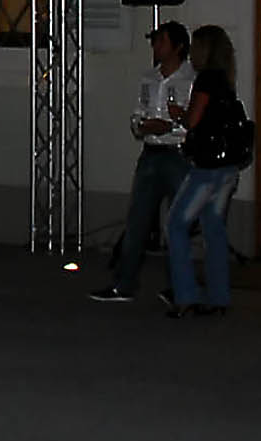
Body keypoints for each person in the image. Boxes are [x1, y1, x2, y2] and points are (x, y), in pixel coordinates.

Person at [90, 20, 194, 304]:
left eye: (161, 41)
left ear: (178, 46)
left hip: (178, 153)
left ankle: (179, 286)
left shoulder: (191, 79)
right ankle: (124, 283)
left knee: (177, 224)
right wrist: (143, 126)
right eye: (155, 41)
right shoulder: (149, 77)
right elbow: (137, 115)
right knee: (137, 220)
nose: (155, 47)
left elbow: (194, 121)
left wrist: (170, 126)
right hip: (151, 153)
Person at [166, 25, 246, 320]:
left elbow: (193, 120)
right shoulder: (225, 80)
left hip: (208, 166)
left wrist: (180, 115)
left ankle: (186, 295)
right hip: (228, 167)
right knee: (213, 228)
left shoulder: (206, 79)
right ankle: (219, 296)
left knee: (176, 224)